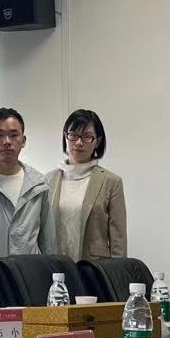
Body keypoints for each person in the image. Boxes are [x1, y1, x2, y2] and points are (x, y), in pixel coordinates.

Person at [0, 107, 49, 304]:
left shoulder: (39, 183)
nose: (7, 141)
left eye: (14, 135)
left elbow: (47, 241)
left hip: (31, 287)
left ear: (23, 140)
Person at [41, 108, 127, 262]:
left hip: (94, 267)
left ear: (97, 142)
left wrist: (118, 271)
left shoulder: (111, 182)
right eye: (73, 135)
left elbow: (118, 240)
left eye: (87, 137)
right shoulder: (48, 180)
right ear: (65, 137)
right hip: (55, 266)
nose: (79, 142)